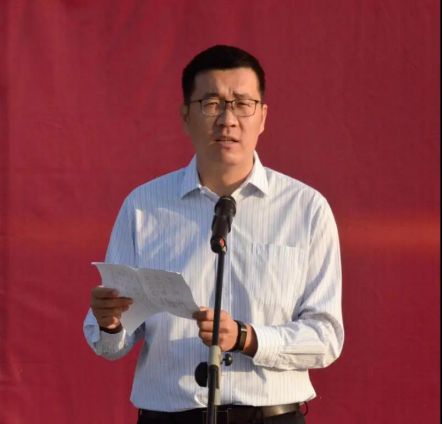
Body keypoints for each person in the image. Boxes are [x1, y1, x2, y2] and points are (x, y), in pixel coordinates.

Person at [84, 45, 344, 424]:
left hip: (269, 417)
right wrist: (110, 323)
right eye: (211, 104)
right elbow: (110, 345)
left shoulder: (305, 209)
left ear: (263, 116)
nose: (227, 120)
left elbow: (325, 337)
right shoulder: (143, 206)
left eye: (242, 104)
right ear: (185, 115)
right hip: (168, 416)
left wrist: (246, 338)